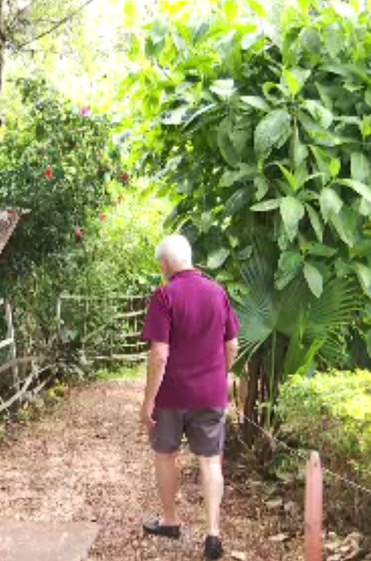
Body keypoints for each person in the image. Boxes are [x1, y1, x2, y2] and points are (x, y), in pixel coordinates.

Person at [139, 234, 240, 561]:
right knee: (210, 461)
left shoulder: (164, 295)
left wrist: (148, 401)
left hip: (171, 396)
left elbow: (159, 354)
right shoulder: (218, 293)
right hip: (210, 394)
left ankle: (170, 521)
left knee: (166, 455)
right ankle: (213, 532)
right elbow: (232, 344)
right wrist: (221, 376)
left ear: (166, 263)